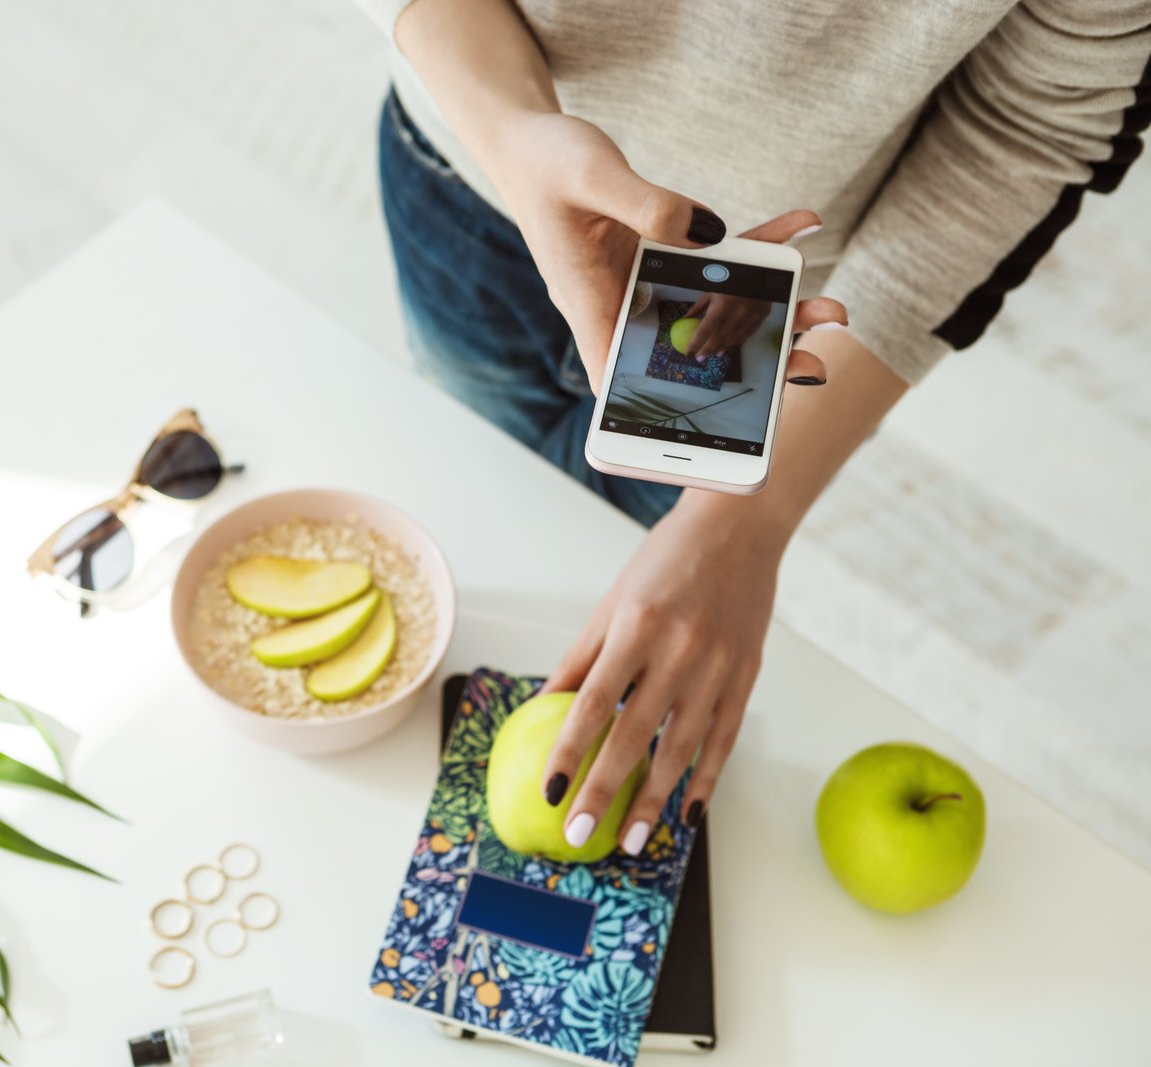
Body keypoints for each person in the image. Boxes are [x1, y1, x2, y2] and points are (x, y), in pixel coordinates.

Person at [353, 0, 1151, 854]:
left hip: (748, 319)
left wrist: (748, 516)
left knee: (591, 590)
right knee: (494, 531)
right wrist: (511, 128)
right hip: (468, 173)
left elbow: (1035, 121)